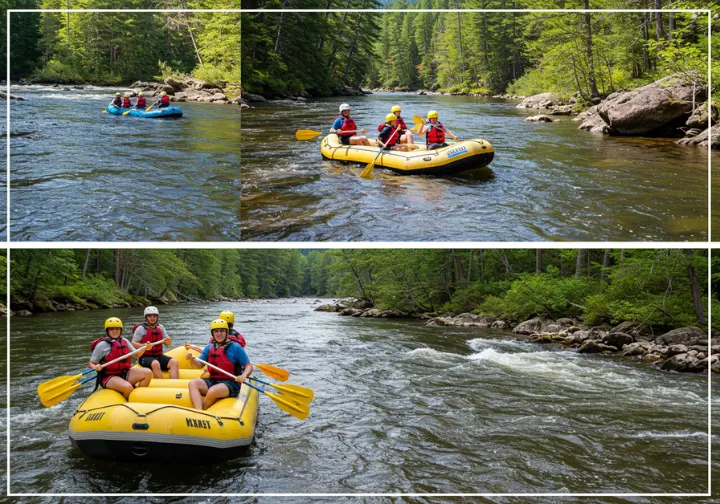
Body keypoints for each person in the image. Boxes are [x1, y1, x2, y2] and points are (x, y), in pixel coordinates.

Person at [186, 319, 253, 410]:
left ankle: (202, 412)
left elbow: (248, 366)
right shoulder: (209, 347)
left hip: (231, 383)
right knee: (192, 383)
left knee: (212, 391)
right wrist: (192, 360)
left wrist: (243, 375)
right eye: (216, 331)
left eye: (222, 331)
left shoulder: (236, 347)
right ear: (212, 334)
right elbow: (199, 365)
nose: (219, 334)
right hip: (213, 380)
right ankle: (198, 410)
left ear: (227, 332)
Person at [89, 317, 152, 398]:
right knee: (128, 387)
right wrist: (95, 367)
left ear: (120, 330)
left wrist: (144, 348)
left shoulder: (124, 341)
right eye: (112, 329)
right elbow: (91, 362)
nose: (115, 331)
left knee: (148, 373)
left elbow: (136, 355)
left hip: (125, 373)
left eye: (117, 329)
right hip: (109, 376)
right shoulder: (102, 345)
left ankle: (138, 397)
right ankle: (126, 402)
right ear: (107, 331)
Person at [131, 306, 179, 379]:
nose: (152, 318)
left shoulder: (160, 327)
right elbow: (133, 343)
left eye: (154, 316)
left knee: (174, 362)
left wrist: (168, 340)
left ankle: (174, 384)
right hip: (144, 357)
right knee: (155, 363)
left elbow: (168, 344)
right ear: (146, 317)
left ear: (157, 317)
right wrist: (143, 345)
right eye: (150, 316)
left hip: (158, 355)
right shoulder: (141, 329)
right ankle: (161, 386)